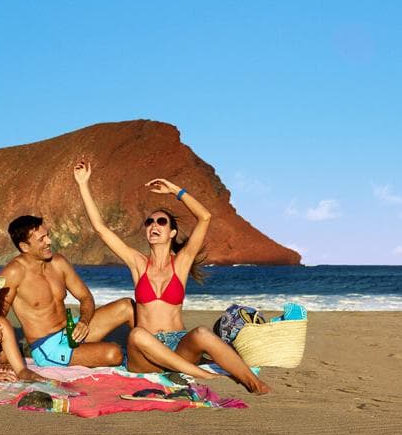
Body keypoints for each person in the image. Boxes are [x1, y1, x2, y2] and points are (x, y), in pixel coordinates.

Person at [73, 160, 271, 394]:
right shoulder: (137, 263)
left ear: (172, 233)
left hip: (178, 346)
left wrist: (175, 190)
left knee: (201, 333)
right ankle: (199, 373)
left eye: (161, 222)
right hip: (145, 355)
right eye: (149, 222)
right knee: (136, 334)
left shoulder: (182, 263)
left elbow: (205, 217)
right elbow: (100, 228)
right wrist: (83, 184)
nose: (153, 225)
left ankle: (252, 382)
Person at [0, 214, 131, 369]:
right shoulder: (13, 273)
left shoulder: (58, 263)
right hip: (48, 346)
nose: (49, 241)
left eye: (47, 236)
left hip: (71, 330)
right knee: (113, 353)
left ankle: (154, 355)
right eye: (42, 239)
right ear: (25, 247)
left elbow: (85, 296)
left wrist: (83, 321)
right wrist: (5, 357)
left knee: (126, 306)